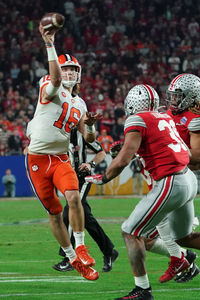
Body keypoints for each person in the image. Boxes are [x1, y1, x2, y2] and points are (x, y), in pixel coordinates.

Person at [86, 84, 200, 300]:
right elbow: (158, 146)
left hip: (171, 181)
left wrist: (104, 178)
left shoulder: (138, 119)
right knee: (185, 237)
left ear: (131, 104)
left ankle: (142, 290)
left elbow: (123, 160)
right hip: (187, 178)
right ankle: (172, 266)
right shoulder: (163, 118)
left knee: (131, 232)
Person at [25, 24, 101, 281]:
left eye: (73, 69)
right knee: (55, 213)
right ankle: (71, 258)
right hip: (37, 160)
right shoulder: (48, 83)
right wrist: (49, 43)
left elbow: (89, 139)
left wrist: (89, 126)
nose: (69, 72)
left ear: (79, 74)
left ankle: (80, 245)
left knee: (73, 197)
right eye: (65, 67)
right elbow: (56, 80)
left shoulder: (80, 102)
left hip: (60, 158)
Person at [53, 127, 118, 273]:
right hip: (65, 179)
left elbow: (101, 152)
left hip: (81, 178)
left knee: (70, 213)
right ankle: (109, 251)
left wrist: (90, 164)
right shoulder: (53, 134)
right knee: (86, 219)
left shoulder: (82, 134)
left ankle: (69, 259)